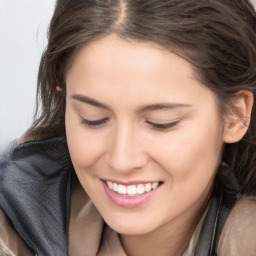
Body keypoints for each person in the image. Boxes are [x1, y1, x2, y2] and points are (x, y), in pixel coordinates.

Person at [1, 0, 256, 255]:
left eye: (161, 123)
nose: (122, 160)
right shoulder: (11, 217)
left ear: (235, 115)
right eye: (93, 118)